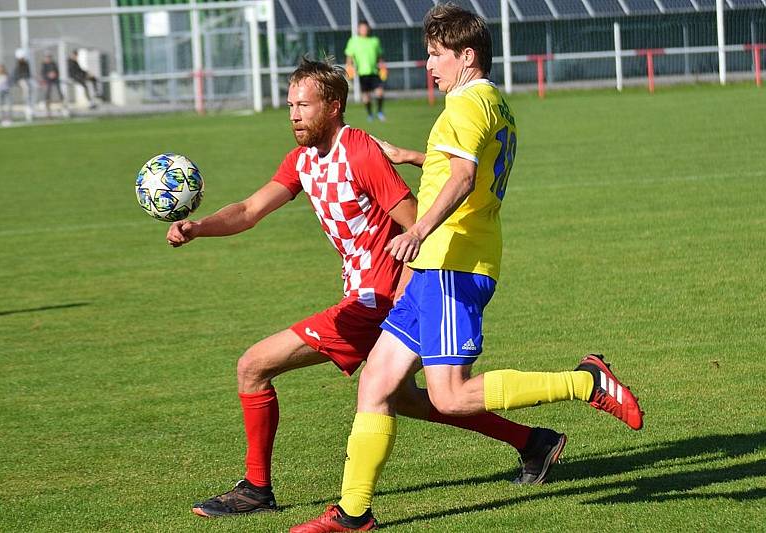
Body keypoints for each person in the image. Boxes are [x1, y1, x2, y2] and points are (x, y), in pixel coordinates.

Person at [292, 6, 644, 532]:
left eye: (436, 53)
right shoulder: (491, 100)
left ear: (467, 55)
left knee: (449, 395)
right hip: (437, 267)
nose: (428, 63)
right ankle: (353, 514)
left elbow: (460, 178)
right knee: (376, 384)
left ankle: (585, 381)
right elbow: (463, 164)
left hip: (453, 262)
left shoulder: (463, 104)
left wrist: (417, 229)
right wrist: (413, 155)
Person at [167, 58, 564, 519]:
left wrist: (410, 283)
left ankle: (257, 488)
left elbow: (414, 219)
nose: (294, 114)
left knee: (253, 366)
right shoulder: (302, 160)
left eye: (304, 105)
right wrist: (199, 227)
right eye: (290, 105)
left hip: (374, 301)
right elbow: (250, 209)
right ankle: (534, 442)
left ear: (333, 105)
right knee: (412, 398)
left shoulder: (358, 151)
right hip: (364, 298)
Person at [345, 21, 386, 122]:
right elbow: (349, 56)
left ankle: (380, 112)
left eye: (365, 28)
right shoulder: (353, 41)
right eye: (362, 28)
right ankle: (370, 114)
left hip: (374, 72)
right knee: (366, 97)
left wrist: (383, 67)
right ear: (358, 29)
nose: (364, 30)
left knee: (380, 93)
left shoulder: (374, 41)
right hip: (362, 73)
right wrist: (349, 68)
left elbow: (379, 56)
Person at [40, 53, 68, 117]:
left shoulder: (53, 64)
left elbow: (57, 72)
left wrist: (54, 75)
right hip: (47, 81)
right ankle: (48, 109)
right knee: (47, 93)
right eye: (47, 57)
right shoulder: (44, 65)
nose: (48, 58)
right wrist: (48, 76)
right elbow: (43, 74)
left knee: (60, 91)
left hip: (55, 79)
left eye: (49, 57)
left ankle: (63, 106)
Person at [12, 51, 35, 122]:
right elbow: (17, 75)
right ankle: (27, 103)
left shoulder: (26, 64)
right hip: (20, 80)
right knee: (26, 88)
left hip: (26, 79)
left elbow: (28, 73)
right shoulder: (18, 65)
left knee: (34, 87)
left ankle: (31, 104)